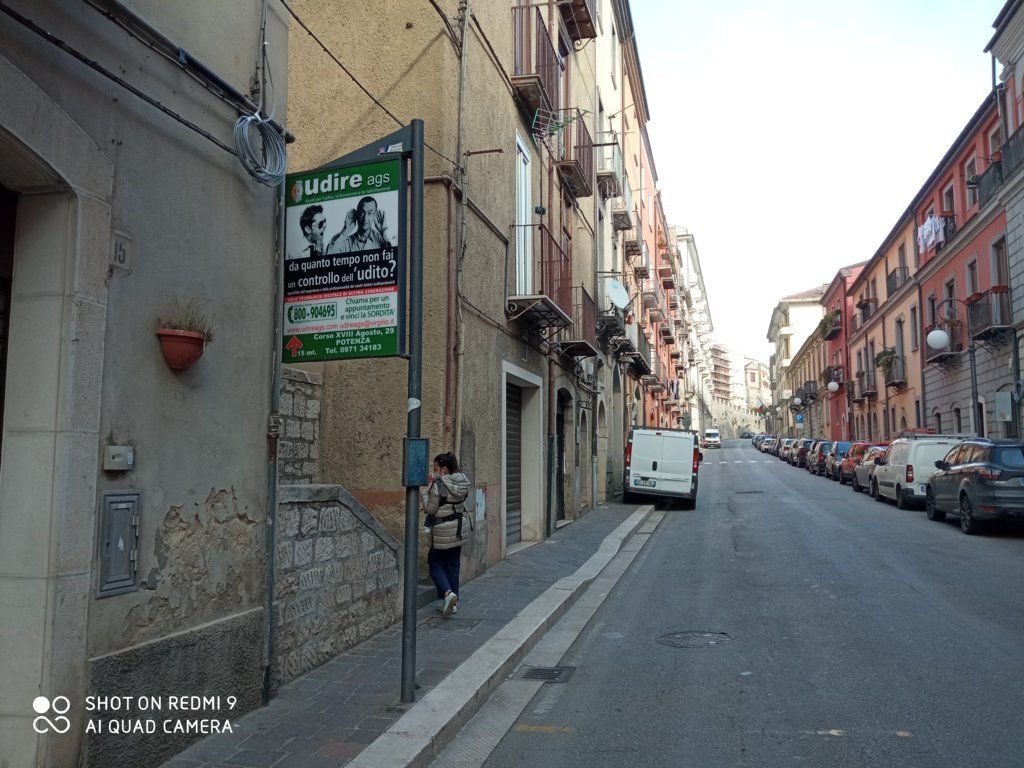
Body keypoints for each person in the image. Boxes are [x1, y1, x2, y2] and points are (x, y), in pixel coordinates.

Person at [423, 451, 471, 617]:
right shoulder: (463, 481)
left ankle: (447, 593)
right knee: (453, 565)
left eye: (436, 468)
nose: (434, 471)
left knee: (435, 563)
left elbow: (430, 509)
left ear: (443, 469)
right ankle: (453, 603)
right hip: (458, 529)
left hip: (442, 530)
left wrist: (425, 492)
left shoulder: (438, 485)